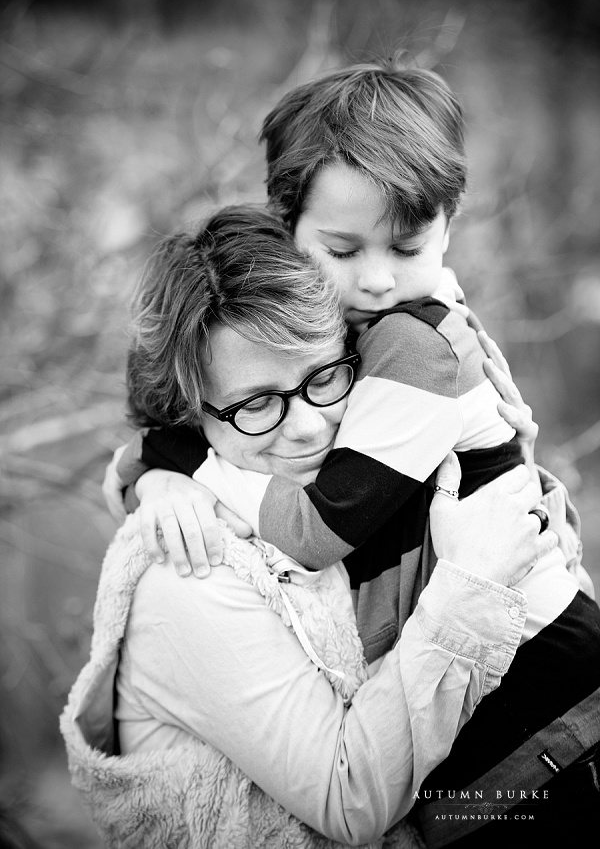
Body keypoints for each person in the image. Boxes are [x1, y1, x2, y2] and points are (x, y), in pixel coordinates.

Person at [102, 62, 599, 844]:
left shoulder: (411, 341)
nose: (376, 281)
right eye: (342, 250)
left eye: (406, 247)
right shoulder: (341, 333)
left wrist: (192, 470)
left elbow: (312, 529)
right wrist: (155, 469)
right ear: (284, 224)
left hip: (546, 685)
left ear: (449, 220)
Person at [62, 207, 555, 849]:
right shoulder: (187, 568)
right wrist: (470, 589)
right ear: (189, 414)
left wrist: (512, 464)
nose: (306, 426)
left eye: (322, 376)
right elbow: (348, 804)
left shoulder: (365, 471)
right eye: (256, 403)